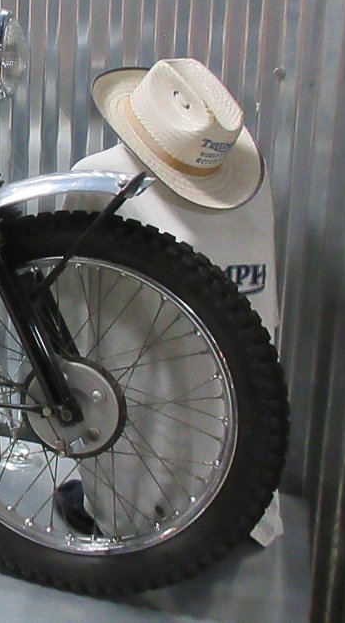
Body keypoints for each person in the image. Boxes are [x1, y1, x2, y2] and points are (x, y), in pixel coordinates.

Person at [56, 57, 283, 546]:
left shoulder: (98, 180)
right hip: (248, 467)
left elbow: (69, 317)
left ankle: (116, 510)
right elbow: (268, 311)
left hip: (135, 477)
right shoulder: (255, 189)